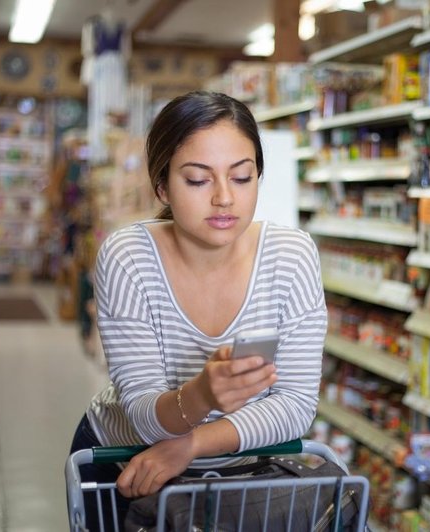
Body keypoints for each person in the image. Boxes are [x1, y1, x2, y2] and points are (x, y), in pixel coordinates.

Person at [69, 90, 327, 529]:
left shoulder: (292, 256)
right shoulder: (129, 257)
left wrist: (192, 444)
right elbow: (145, 415)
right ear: (162, 185)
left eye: (242, 177)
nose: (225, 198)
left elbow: (297, 405)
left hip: (244, 469)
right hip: (127, 462)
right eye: (197, 179)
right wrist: (204, 394)